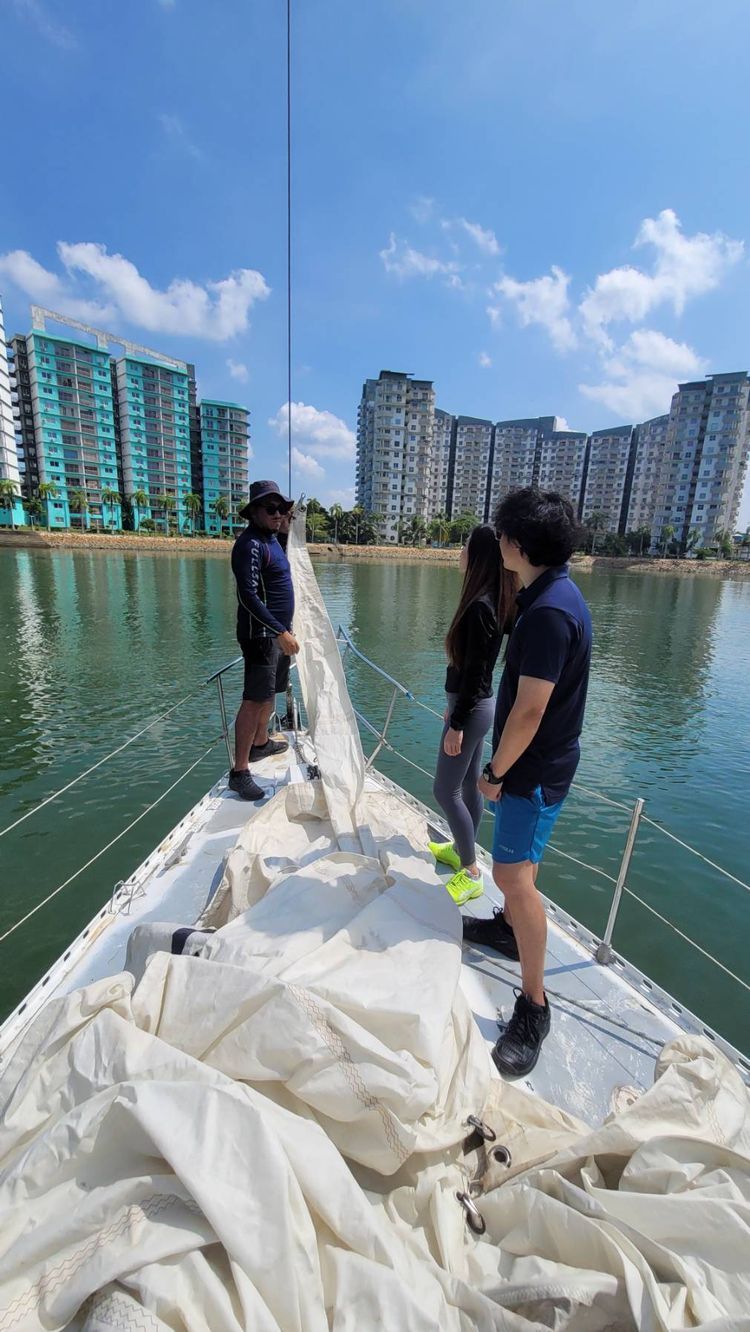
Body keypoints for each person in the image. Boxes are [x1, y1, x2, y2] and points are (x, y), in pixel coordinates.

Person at [465, 488, 592, 1078]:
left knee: (510, 874)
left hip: (531, 771)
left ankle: (534, 1006)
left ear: (517, 544)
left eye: (502, 535)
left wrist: (494, 774)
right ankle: (511, 929)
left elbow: (529, 712)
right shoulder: (556, 594)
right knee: (520, 873)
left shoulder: (546, 614)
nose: (499, 543)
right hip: (542, 767)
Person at [429, 525, 517, 905]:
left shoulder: (480, 606)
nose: (459, 552)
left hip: (474, 709)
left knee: (444, 790)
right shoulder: (488, 601)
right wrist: (456, 708)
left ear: (477, 556)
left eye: (465, 546)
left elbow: (477, 672)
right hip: (476, 706)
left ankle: (470, 870)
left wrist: (457, 723)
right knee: (466, 787)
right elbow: (472, 671)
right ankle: (464, 850)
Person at [228, 480, 299, 800]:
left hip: (277, 634)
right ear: (254, 511)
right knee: (254, 699)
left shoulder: (271, 540)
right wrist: (278, 631)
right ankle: (240, 771)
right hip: (261, 635)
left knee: (272, 690)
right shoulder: (250, 545)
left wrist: (285, 525)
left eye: (282, 508)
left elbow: (283, 560)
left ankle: (261, 743)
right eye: (270, 509)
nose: (277, 514)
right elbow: (248, 597)